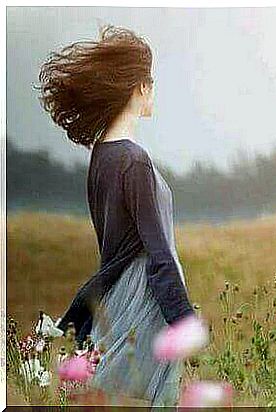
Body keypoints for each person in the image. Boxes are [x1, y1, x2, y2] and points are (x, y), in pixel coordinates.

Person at [36, 24, 197, 406]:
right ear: (139, 88)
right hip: (143, 305)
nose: (153, 92)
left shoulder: (100, 157)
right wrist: (185, 322)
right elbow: (158, 254)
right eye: (151, 83)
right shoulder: (133, 160)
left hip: (114, 303)